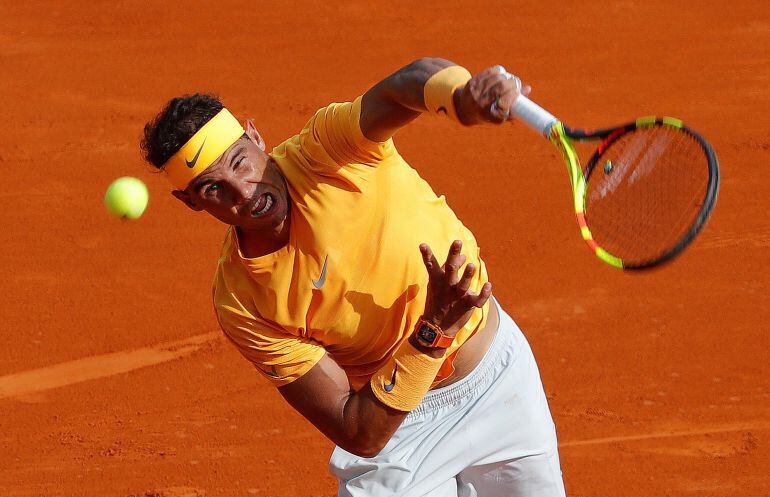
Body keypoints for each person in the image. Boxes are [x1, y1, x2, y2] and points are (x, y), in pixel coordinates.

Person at [140, 58, 566, 497]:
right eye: (213, 189)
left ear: (254, 136)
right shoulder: (242, 301)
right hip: (399, 425)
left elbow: (404, 86)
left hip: (498, 382)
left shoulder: (326, 150)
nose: (244, 192)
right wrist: (432, 332)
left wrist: (459, 98)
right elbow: (359, 431)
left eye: (240, 161)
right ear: (190, 202)